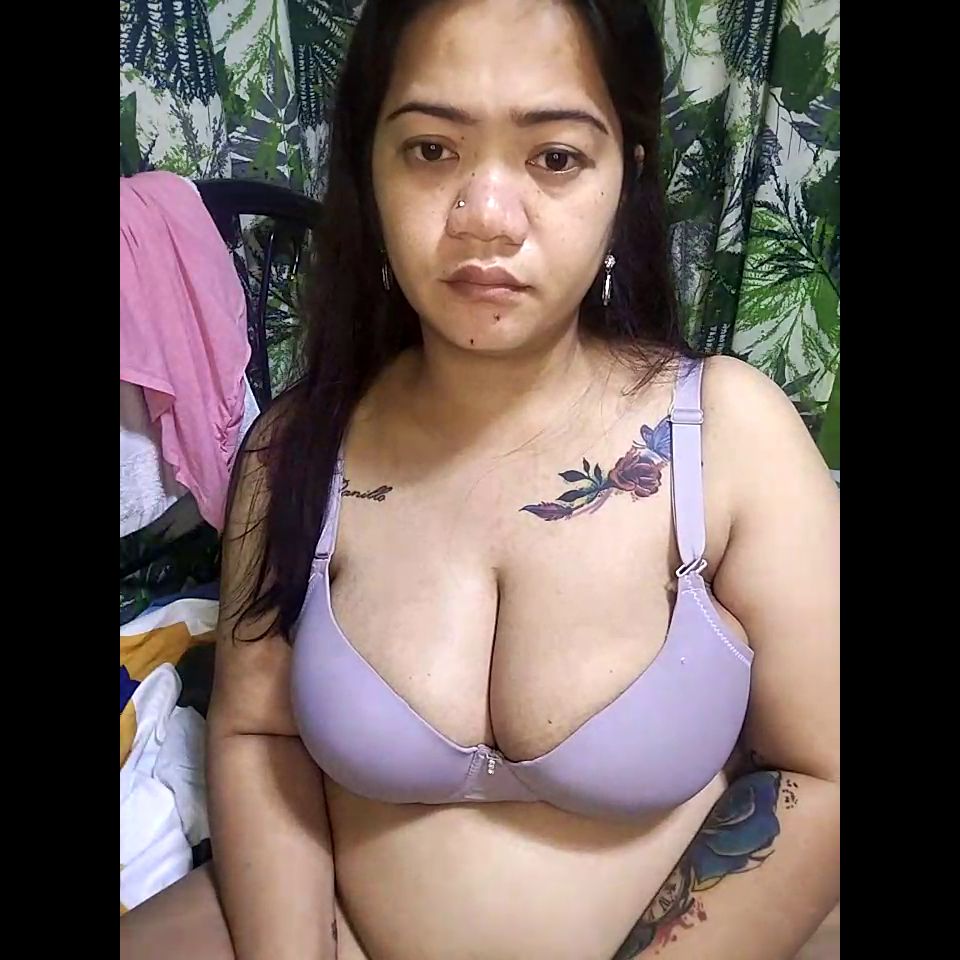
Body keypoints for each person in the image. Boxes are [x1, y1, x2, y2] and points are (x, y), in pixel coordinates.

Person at [119, 1, 840, 957]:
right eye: (431, 150)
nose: (487, 218)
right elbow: (260, 738)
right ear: (370, 171)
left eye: (555, 157)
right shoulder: (293, 453)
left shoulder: (731, 434)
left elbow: (823, 773)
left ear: (625, 180)